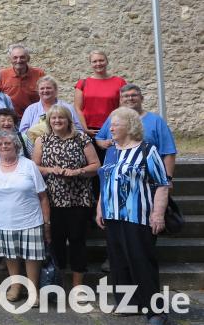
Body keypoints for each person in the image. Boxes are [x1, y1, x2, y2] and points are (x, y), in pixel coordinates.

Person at [95, 107, 170, 325]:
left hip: (138, 217)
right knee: (118, 262)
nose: (110, 128)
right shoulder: (112, 151)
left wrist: (158, 214)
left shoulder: (147, 150)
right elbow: (106, 181)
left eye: (115, 124)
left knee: (141, 262)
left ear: (129, 125)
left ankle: (155, 311)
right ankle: (128, 302)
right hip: (112, 216)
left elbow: (162, 184)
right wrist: (101, 207)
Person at [0, 131, 50, 305]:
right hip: (2, 221)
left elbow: (43, 195)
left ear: (16, 146)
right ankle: (16, 286)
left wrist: (47, 222)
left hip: (30, 219)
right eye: (0, 144)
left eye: (8, 143)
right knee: (10, 255)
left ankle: (33, 290)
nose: (4, 146)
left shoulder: (29, 165)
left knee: (32, 256)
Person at [32, 105, 100, 287]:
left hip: (78, 198)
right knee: (56, 242)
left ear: (68, 120)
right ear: (49, 121)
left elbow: (95, 165)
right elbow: (34, 167)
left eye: (61, 118)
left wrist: (78, 171)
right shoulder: (42, 140)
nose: (57, 121)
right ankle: (57, 282)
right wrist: (50, 169)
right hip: (52, 199)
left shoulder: (81, 138)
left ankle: (78, 286)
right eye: (53, 118)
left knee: (78, 241)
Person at [96, 84, 177, 180]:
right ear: (121, 100)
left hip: (146, 178)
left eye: (134, 95)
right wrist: (103, 143)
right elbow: (99, 138)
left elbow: (169, 152)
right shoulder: (112, 118)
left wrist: (168, 178)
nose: (130, 98)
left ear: (141, 98)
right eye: (126, 96)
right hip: (115, 178)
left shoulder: (156, 121)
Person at [74, 50, 127, 138]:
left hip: (112, 128)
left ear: (107, 61)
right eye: (94, 61)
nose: (98, 63)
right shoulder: (82, 83)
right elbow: (77, 108)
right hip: (89, 130)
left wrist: (115, 125)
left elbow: (123, 107)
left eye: (101, 60)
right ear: (90, 64)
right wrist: (85, 128)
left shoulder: (119, 82)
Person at [19, 76, 84, 134]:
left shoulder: (67, 108)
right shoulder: (31, 109)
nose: (45, 91)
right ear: (38, 92)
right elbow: (23, 132)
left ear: (55, 90)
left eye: (48, 88)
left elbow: (79, 130)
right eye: (42, 88)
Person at [0, 43, 45, 118]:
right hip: (10, 120)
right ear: (10, 59)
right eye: (15, 57)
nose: (18, 60)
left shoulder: (39, 74)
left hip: (34, 118)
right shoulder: (2, 75)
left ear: (28, 58)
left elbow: (46, 95)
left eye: (22, 57)